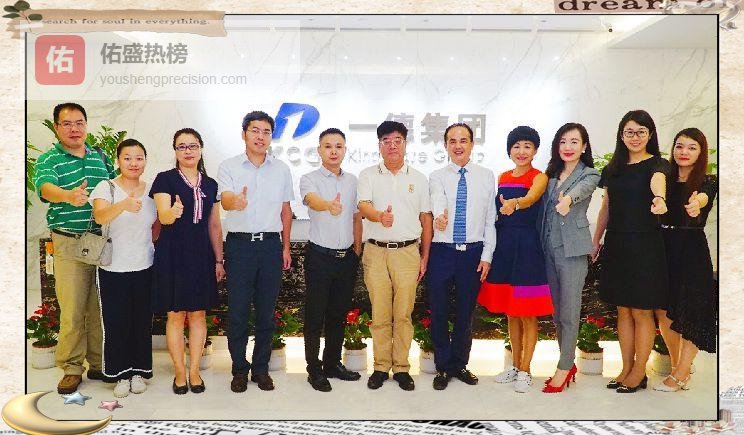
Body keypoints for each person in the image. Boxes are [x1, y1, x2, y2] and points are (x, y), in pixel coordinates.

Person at [33, 102, 115, 394]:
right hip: (68, 242)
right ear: (57, 128)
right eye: (67, 124)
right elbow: (45, 188)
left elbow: (114, 187)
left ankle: (99, 362)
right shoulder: (48, 159)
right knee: (72, 309)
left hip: (101, 241)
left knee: (98, 307)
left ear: (86, 125)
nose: (74, 129)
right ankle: (71, 367)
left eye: (79, 123)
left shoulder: (100, 157)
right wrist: (68, 196)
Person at [591, 109, 670, 394]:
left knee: (641, 310)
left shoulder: (658, 164)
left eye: (641, 132)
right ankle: (626, 367)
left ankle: (639, 371)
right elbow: (607, 206)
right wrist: (596, 239)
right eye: (629, 132)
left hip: (645, 245)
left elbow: (657, 182)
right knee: (622, 309)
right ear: (621, 135)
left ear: (650, 134)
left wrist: (659, 198)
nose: (635, 137)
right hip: (617, 243)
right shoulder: (613, 168)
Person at [217, 111, 294, 393]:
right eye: (255, 130)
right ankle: (239, 369)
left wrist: (285, 246)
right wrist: (235, 202)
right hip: (239, 246)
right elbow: (225, 200)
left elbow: (286, 210)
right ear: (244, 134)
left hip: (271, 246)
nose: (260, 136)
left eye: (266, 132)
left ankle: (261, 369)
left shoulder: (282, 169)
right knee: (238, 311)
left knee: (266, 313)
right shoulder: (228, 166)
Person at [357, 120, 432, 391]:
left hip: (408, 253)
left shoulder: (419, 179)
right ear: (379, 145)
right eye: (386, 141)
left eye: (397, 140)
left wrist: (424, 256)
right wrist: (379, 216)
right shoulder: (368, 175)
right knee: (379, 313)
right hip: (376, 251)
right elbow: (363, 206)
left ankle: (401, 368)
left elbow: (426, 219)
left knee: (403, 314)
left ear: (405, 144)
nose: (392, 145)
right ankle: (380, 367)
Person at [478, 125, 552, 393]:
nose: (521, 151)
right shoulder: (503, 176)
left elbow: (531, 199)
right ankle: (515, 365)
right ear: (509, 150)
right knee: (512, 310)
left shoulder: (539, 176)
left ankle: (526, 369)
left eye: (527, 146)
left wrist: (514, 203)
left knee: (527, 311)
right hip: (505, 245)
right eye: (516, 146)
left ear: (535, 150)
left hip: (527, 247)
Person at [150, 128, 224, 395]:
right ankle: (179, 372)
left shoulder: (211, 184)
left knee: (198, 314)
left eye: (193, 146)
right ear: (175, 151)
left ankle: (194, 371)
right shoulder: (165, 179)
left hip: (201, 255)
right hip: (172, 254)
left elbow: (214, 225)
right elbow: (163, 217)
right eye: (182, 146)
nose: (188, 151)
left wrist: (219, 260)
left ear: (201, 149)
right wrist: (173, 211)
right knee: (175, 314)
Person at [427, 123, 496, 390]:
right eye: (452, 141)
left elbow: (490, 219)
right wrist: (440, 217)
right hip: (442, 251)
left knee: (466, 312)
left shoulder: (486, 176)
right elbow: (438, 199)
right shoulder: (437, 176)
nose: (458, 146)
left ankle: (460, 364)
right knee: (439, 310)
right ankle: (443, 367)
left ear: (472, 144)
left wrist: (487, 255)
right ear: (445, 145)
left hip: (473, 252)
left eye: (463, 140)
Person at [90, 139, 158, 397]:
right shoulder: (106, 187)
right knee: (116, 323)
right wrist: (123, 205)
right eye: (127, 158)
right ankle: (120, 374)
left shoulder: (151, 191)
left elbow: (155, 227)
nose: (133, 163)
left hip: (145, 265)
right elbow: (100, 217)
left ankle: (139, 371)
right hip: (113, 268)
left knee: (141, 322)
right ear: (118, 161)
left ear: (145, 161)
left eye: (139, 158)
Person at [653, 128, 717, 392]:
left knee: (692, 310)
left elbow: (703, 197)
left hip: (692, 250)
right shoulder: (664, 177)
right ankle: (679, 365)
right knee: (664, 309)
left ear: (701, 152)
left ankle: (680, 374)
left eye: (692, 147)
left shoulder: (708, 181)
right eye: (680, 146)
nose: (684, 152)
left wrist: (696, 204)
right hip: (663, 248)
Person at [299, 128, 363, 392]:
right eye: (328, 146)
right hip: (319, 258)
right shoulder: (309, 179)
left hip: (346, 258)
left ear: (345, 150)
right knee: (315, 315)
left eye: (338, 146)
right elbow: (311, 200)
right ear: (319, 150)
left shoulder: (353, 181)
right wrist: (328, 205)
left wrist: (357, 250)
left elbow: (356, 217)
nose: (333, 151)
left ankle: (332, 364)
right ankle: (313, 369)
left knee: (338, 314)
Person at [537, 123, 600, 393]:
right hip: (548, 248)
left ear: (584, 146)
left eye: (574, 142)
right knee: (556, 311)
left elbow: (581, 191)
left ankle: (564, 367)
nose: (568, 147)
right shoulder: (550, 175)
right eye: (563, 141)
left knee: (570, 311)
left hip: (572, 250)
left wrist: (568, 200)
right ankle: (567, 362)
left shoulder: (590, 174)